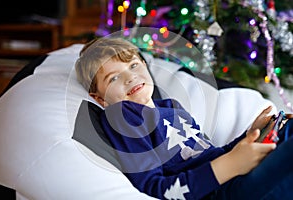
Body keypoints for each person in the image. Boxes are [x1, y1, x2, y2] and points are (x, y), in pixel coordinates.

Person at [75, 37, 293, 200]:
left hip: (234, 175)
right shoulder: (122, 116)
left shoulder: (171, 107)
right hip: (219, 193)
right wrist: (232, 165)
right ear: (100, 99)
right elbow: (155, 187)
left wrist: (249, 136)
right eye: (114, 77)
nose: (130, 77)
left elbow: (210, 155)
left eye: (133, 65)